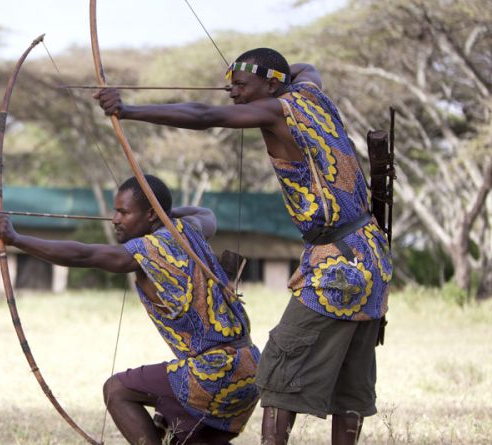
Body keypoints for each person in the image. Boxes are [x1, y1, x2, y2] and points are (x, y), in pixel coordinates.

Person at [95, 48, 393, 445]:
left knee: (276, 368)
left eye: (239, 86)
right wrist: (253, 73)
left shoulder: (276, 109)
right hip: (372, 255)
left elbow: (206, 117)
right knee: (351, 384)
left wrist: (128, 109)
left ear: (271, 85)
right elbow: (305, 68)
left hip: (336, 264)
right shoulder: (311, 93)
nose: (230, 92)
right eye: (229, 84)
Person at [0, 175, 259, 445]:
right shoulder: (187, 228)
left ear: (151, 214)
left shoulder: (148, 249)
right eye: (115, 211)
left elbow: (83, 255)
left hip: (214, 375)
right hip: (250, 370)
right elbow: (206, 213)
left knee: (116, 390)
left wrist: (15, 239)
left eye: (124, 212)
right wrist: (161, 213)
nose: (115, 219)